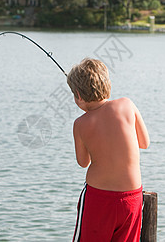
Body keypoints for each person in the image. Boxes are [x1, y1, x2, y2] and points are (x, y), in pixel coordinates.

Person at [67, 58, 150, 242]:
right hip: (132, 197)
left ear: (79, 96)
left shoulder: (80, 123)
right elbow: (144, 142)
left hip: (99, 198)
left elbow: (83, 162)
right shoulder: (127, 105)